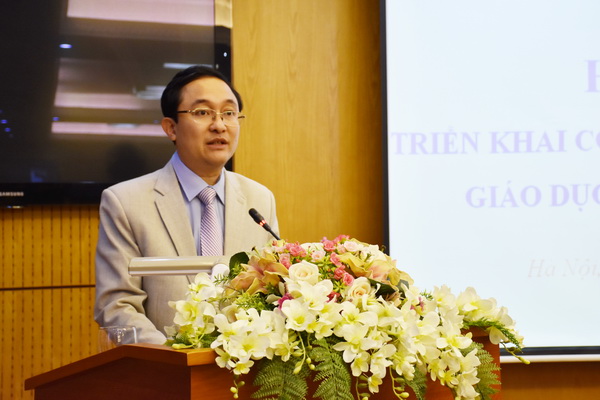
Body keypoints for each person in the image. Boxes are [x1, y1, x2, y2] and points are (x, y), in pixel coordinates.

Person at [94, 66, 279, 344]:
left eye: (229, 113)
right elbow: (117, 305)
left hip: (244, 366)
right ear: (171, 128)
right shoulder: (125, 202)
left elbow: (273, 293)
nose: (219, 125)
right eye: (202, 112)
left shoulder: (260, 198)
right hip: (164, 365)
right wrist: (175, 358)